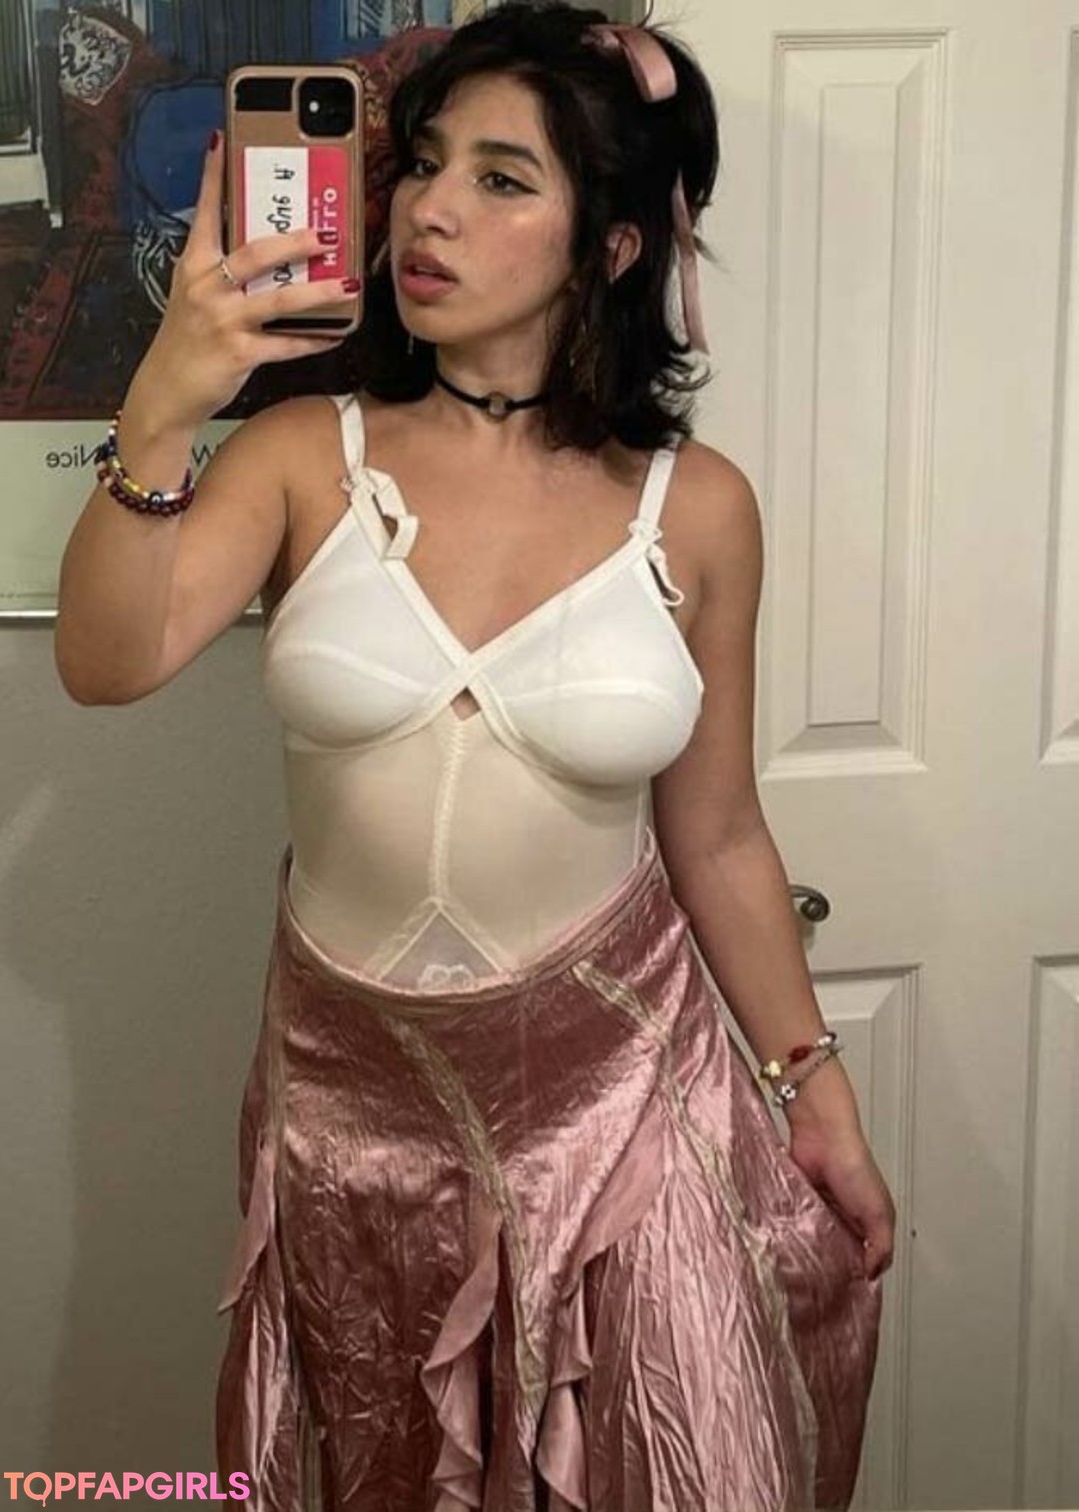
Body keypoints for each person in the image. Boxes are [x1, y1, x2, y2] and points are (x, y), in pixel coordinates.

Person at [55, 4, 895, 1509]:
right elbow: (106, 666)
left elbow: (717, 834)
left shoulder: (696, 505)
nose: (429, 210)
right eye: (428, 162)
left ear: (612, 245)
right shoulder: (303, 455)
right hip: (348, 1123)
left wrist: (811, 1084)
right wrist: (168, 401)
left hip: (629, 1110)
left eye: (502, 179)